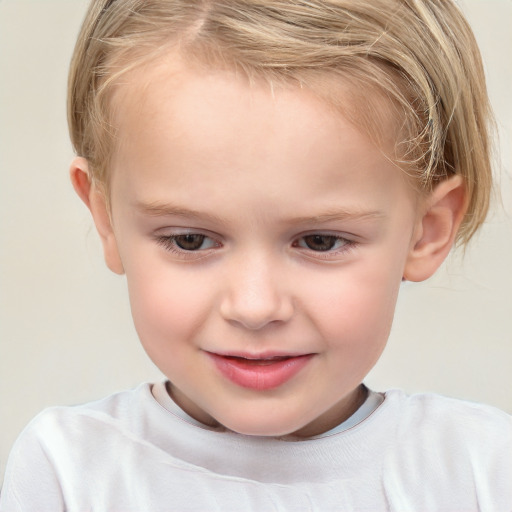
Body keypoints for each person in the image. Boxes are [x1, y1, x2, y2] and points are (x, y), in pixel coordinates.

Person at [1, 0, 510, 510]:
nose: (254, 306)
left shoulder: (480, 470)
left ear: (427, 231)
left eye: (319, 241)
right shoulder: (68, 471)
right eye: (190, 240)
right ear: (106, 217)